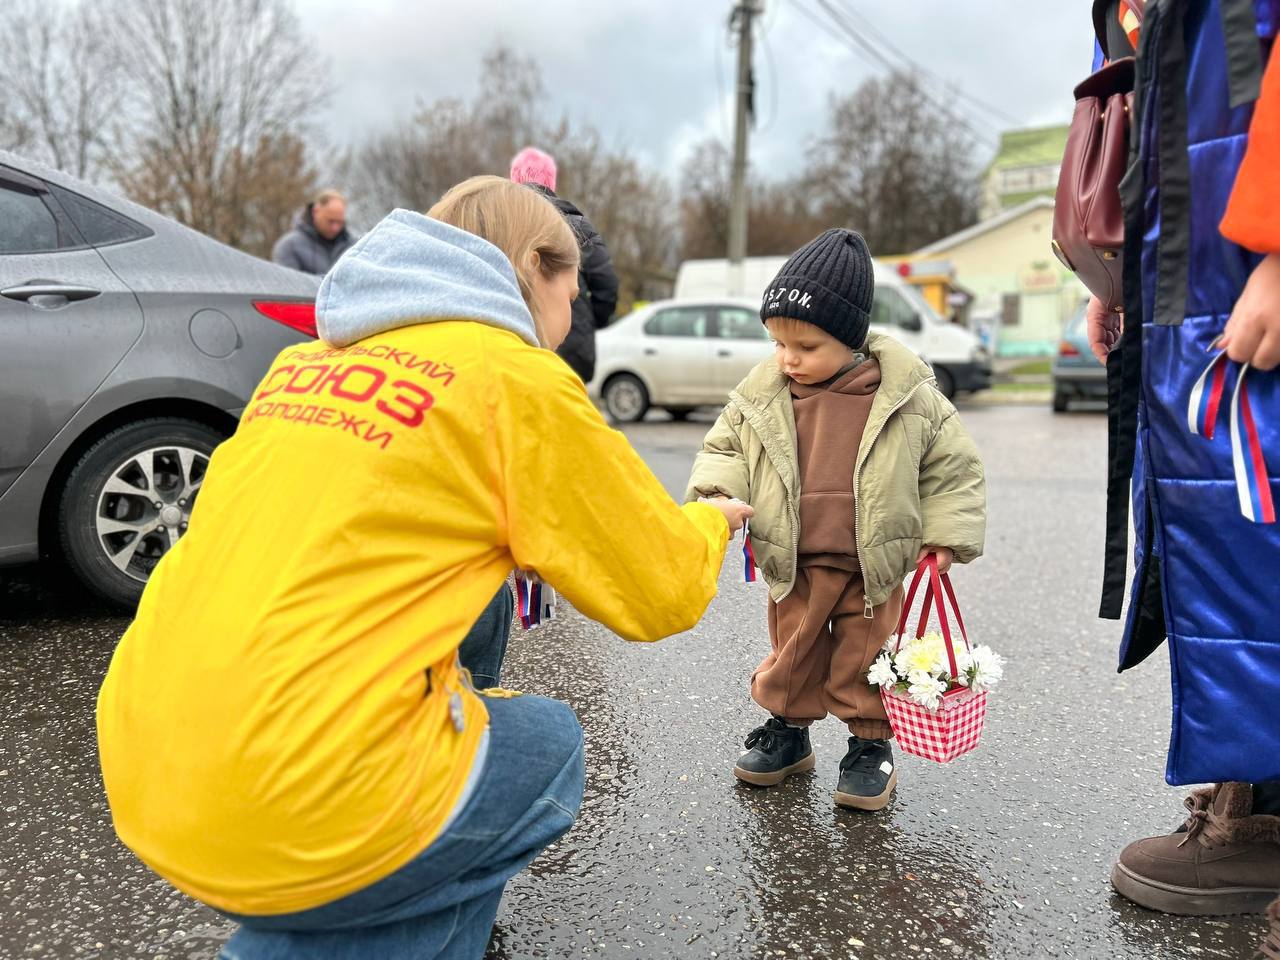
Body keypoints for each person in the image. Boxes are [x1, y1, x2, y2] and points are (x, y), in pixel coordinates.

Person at [96, 176, 752, 959]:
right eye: (572, 292)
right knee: (549, 743)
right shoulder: (513, 377)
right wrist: (709, 520)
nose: (571, 316)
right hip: (290, 803)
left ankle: (377, 889)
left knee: (477, 640)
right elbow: (660, 591)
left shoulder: (303, 365)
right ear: (536, 267)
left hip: (150, 768)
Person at [1081, 1, 1280, 949]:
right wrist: (1108, 262)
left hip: (1247, 265)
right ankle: (1261, 812)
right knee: (1233, 543)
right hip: (1184, 288)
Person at [685, 229, 987, 811]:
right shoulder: (763, 394)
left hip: (871, 567)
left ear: (850, 341)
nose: (787, 358)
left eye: (805, 346)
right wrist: (717, 493)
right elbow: (725, 447)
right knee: (792, 651)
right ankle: (787, 733)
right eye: (776, 342)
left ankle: (870, 746)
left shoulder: (908, 396)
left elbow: (954, 469)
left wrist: (945, 537)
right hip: (792, 558)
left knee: (866, 658)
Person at [509, 146, 619, 383]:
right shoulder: (578, 227)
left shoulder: (502, 224)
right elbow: (607, 287)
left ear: (514, 180)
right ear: (551, 183)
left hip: (513, 340)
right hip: (571, 345)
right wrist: (589, 321)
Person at [272, 189, 357, 276]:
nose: (335, 228)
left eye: (339, 222)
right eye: (330, 221)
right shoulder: (289, 247)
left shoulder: (353, 248)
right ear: (315, 211)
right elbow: (288, 285)